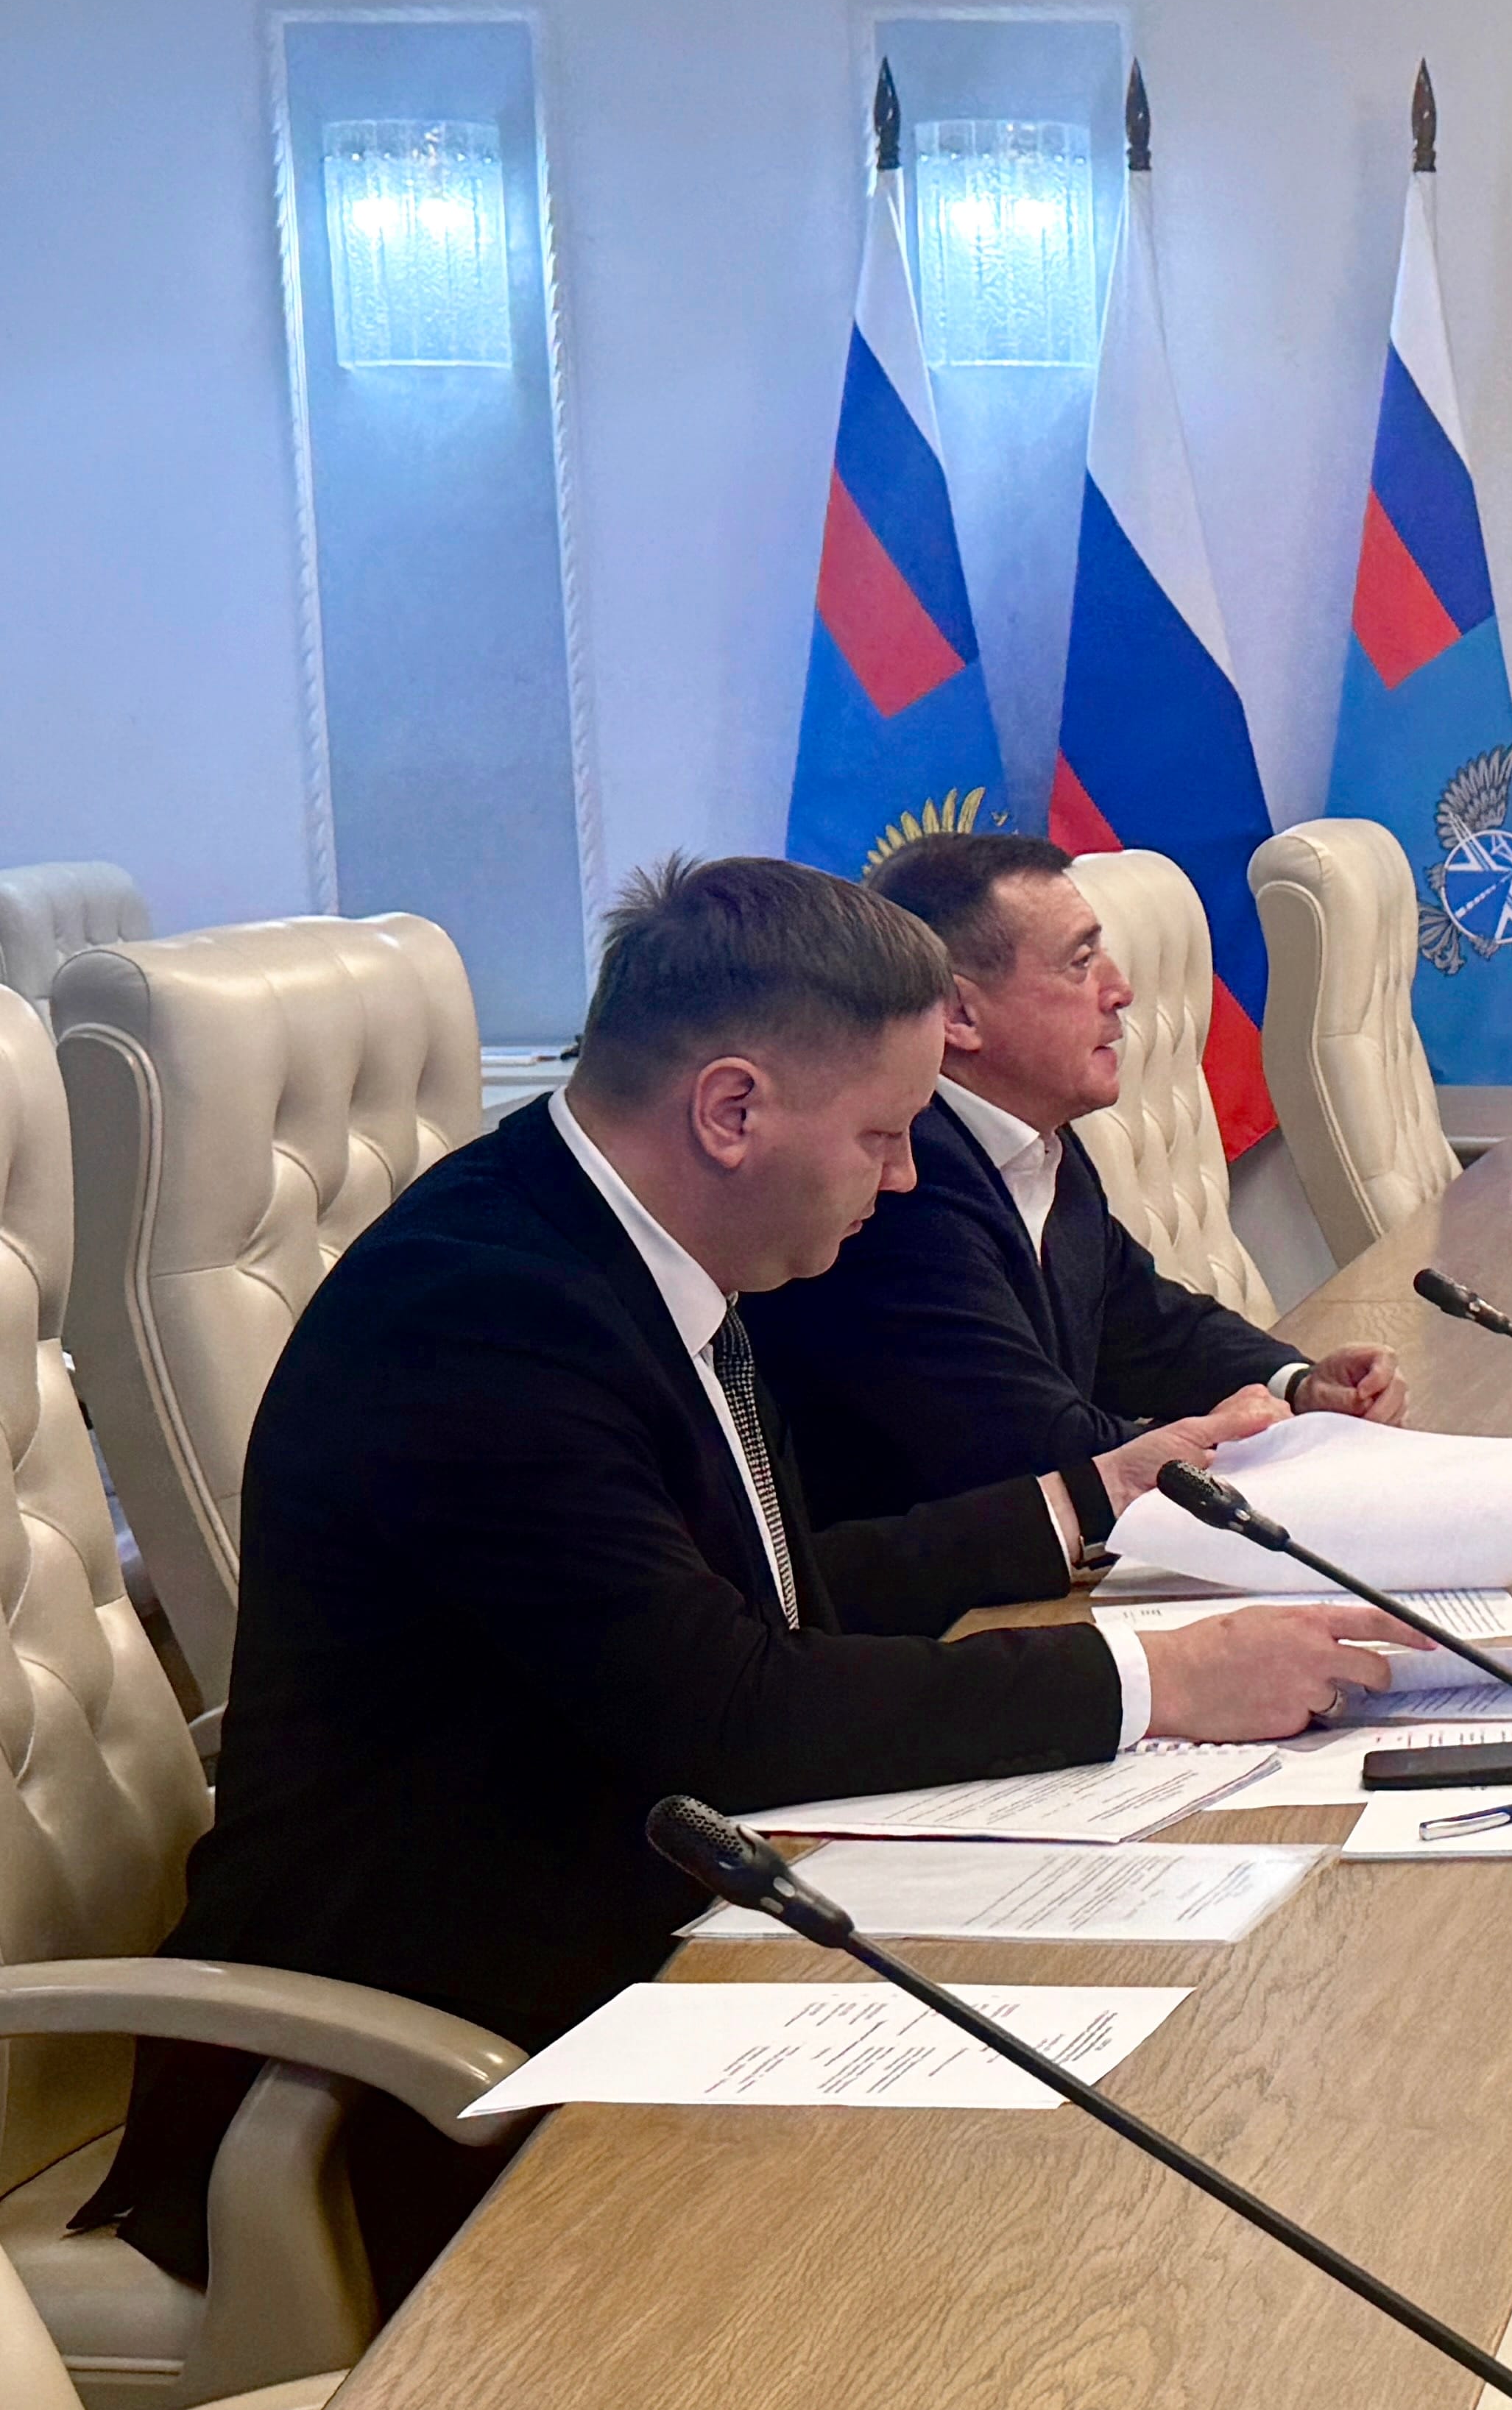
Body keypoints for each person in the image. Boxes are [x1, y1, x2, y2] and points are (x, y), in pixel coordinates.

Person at [82, 858, 1396, 2295]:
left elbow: (766, 1599)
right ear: (731, 1110)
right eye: (883, 1136)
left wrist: (1089, 1496)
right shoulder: (482, 1316)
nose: (906, 1178)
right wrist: (1160, 1677)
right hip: (416, 2062)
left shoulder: (643, 1246)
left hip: (647, 1929)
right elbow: (734, 1709)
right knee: (1055, 2244)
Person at [746, 830, 1413, 1530]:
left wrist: (1300, 1385)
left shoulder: (1034, 1138)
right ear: (959, 1014)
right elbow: (1038, 1452)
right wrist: (1250, 1446)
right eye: (1081, 962)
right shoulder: (903, 1191)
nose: (1121, 990)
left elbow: (1147, 1327)